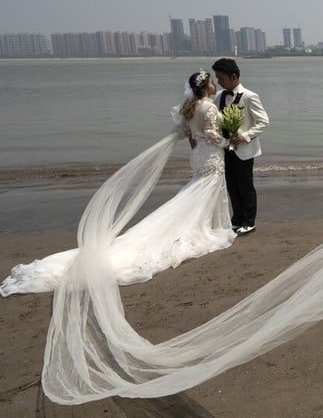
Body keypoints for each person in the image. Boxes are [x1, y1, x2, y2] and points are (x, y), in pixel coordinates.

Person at [1, 70, 235, 296]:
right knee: (208, 190)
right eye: (212, 82)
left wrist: (202, 146)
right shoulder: (209, 107)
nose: (215, 85)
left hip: (197, 156)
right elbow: (212, 134)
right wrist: (229, 143)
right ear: (206, 87)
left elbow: (188, 134)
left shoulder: (189, 108)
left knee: (198, 191)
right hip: (211, 154)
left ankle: (207, 224)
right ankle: (210, 227)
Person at [211, 58, 269, 235]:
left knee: (245, 186)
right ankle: (236, 219)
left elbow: (263, 121)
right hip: (224, 149)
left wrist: (245, 136)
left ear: (233, 76)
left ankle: (249, 221)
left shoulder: (250, 96)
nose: (219, 82)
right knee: (231, 186)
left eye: (221, 78)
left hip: (244, 150)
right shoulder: (220, 96)